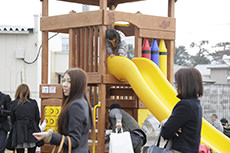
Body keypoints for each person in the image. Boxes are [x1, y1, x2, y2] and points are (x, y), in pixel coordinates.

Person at [33, 68, 93, 153]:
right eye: (64, 80)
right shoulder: (83, 102)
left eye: (69, 81)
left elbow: (74, 140)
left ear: (78, 84)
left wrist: (50, 136)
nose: (64, 84)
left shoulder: (75, 105)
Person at [160, 67, 203, 153]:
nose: (176, 85)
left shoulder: (184, 105)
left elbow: (166, 132)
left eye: (177, 82)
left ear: (184, 84)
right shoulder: (196, 104)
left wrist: (164, 123)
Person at [7, 84, 42, 153]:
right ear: (28, 92)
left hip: (19, 131)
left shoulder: (14, 103)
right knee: (32, 149)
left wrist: (16, 126)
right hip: (31, 130)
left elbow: (12, 119)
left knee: (20, 150)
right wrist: (34, 125)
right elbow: (37, 118)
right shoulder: (33, 103)